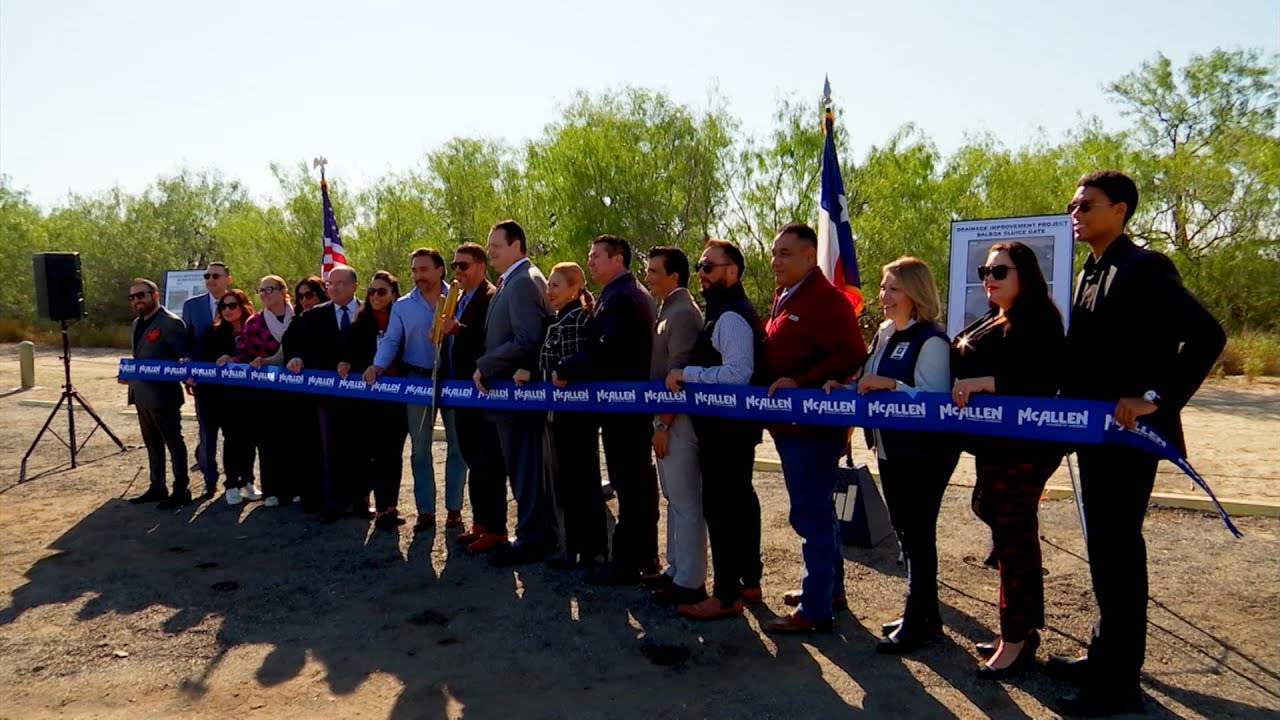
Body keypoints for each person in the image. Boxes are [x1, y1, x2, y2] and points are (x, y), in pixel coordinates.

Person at [1051, 170, 1225, 716]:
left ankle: (1118, 686)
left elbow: (1208, 335)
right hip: (1093, 435)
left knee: (1120, 554)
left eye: (1086, 205)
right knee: (1104, 551)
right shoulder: (1089, 270)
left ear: (1120, 210)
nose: (1075, 214)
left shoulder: (1145, 267)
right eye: (1072, 205)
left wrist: (1155, 397)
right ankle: (1104, 657)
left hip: (1130, 438)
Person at [951, 242, 1066, 676]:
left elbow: (1043, 379)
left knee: (1015, 539)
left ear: (1025, 274)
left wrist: (988, 381)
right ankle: (1019, 630)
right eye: (985, 271)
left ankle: (1016, 638)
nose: (989, 278)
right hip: (993, 445)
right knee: (999, 524)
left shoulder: (1040, 320)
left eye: (1000, 271)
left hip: (1025, 448)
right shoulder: (992, 317)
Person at [761, 223, 866, 633]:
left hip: (813, 428)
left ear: (809, 256)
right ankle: (828, 589)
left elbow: (852, 353)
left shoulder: (826, 298)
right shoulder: (785, 294)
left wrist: (801, 382)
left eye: (785, 253)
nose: (776, 260)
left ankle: (816, 608)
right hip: (789, 427)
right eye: (774, 252)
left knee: (810, 515)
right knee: (818, 510)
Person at [852, 256, 958, 653]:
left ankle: (918, 620)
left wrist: (892, 385)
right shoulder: (883, 333)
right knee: (904, 531)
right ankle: (925, 613)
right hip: (889, 448)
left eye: (894, 288)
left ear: (916, 293)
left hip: (924, 453)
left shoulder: (931, 341)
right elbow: (866, 381)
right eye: (883, 287)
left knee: (918, 532)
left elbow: (934, 402)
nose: (884, 295)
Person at [667, 239, 765, 620]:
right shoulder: (723, 311)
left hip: (728, 432)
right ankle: (746, 582)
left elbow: (738, 374)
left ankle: (726, 595)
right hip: (727, 430)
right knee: (738, 503)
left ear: (732, 271)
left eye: (709, 266)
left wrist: (687, 374)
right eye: (700, 266)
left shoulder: (731, 316)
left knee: (723, 509)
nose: (702, 273)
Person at [554, 235, 660, 585]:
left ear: (618, 259)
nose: (590, 261)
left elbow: (611, 348)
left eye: (596, 256)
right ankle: (642, 557)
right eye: (589, 255)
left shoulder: (623, 296)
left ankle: (628, 562)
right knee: (634, 482)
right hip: (620, 404)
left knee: (630, 484)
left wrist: (567, 366)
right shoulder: (617, 293)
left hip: (625, 406)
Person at [473, 220, 558, 567]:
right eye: (489, 245)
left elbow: (527, 339)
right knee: (525, 469)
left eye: (496, 246)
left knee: (526, 470)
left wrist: (486, 364)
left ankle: (532, 539)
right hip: (509, 395)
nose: (490, 251)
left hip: (518, 395)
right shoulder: (514, 279)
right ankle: (535, 534)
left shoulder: (523, 281)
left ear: (516, 245)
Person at [364, 248, 467, 533]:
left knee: (457, 448)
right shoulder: (403, 306)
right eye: (414, 270)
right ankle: (426, 512)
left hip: (453, 380)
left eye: (423, 269)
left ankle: (455, 510)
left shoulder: (460, 298)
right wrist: (378, 365)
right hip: (418, 380)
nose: (418, 275)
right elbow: (391, 340)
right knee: (420, 450)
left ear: (439, 269)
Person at [519, 262, 605, 570]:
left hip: (576, 414)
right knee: (571, 482)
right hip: (563, 413)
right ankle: (578, 547)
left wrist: (532, 376)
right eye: (549, 285)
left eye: (556, 285)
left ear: (574, 288)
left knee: (581, 482)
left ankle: (587, 549)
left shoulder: (575, 320)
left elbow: (566, 373)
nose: (549, 291)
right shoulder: (560, 319)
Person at [643, 246, 707, 605]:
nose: (648, 277)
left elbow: (678, 374)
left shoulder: (682, 313)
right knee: (674, 498)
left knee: (685, 501)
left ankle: (691, 581)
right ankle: (676, 570)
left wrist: (664, 425)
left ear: (674, 275)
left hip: (678, 421)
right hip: (665, 418)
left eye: (654, 271)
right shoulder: (668, 308)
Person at [438, 244, 507, 551]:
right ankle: (480, 522)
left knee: (489, 461)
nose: (457, 272)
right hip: (459, 391)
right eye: (454, 266)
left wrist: (458, 329)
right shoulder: (458, 297)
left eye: (463, 266)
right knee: (472, 459)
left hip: (482, 391)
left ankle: (496, 528)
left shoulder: (492, 297)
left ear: (480, 266)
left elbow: (492, 340)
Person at [284, 265, 365, 522]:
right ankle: (332, 501)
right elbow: (297, 344)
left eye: (341, 283)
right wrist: (296, 357)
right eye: (331, 283)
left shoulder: (368, 311)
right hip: (326, 393)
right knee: (331, 447)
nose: (334, 287)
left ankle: (361, 500)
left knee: (361, 446)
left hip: (362, 393)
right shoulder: (315, 314)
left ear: (354, 285)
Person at [124, 278, 192, 510]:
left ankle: (181, 489)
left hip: (164, 396)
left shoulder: (171, 323)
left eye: (141, 295)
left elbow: (184, 355)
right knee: (152, 444)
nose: (137, 301)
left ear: (155, 295)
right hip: (141, 394)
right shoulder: (137, 323)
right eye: (132, 297)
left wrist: (187, 369)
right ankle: (157, 486)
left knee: (174, 443)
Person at [349, 271, 409, 530]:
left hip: (397, 399)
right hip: (368, 401)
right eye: (371, 291)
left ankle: (389, 508)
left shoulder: (403, 320)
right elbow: (352, 357)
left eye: (381, 291)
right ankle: (368, 502)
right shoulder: (359, 323)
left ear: (394, 294)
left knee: (392, 454)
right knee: (369, 454)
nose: (375, 296)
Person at [198, 288, 260, 505]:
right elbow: (205, 363)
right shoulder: (213, 332)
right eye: (223, 306)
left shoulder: (254, 328)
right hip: (224, 396)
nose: (227, 310)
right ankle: (231, 484)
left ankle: (248, 481)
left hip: (250, 394)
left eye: (232, 305)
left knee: (249, 440)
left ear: (243, 306)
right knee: (232, 440)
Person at [242, 275, 295, 507]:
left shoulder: (299, 318)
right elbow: (245, 354)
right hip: (265, 391)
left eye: (269, 289)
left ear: (283, 292)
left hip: (295, 390)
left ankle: (293, 487)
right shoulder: (254, 322)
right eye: (261, 290)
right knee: (268, 441)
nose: (264, 294)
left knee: (293, 439)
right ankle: (271, 490)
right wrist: (257, 362)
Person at [276, 276, 328, 511]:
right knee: (308, 444)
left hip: (333, 392)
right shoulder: (297, 322)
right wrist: (294, 358)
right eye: (301, 296)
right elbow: (288, 349)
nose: (306, 300)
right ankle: (310, 493)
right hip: (303, 395)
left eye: (310, 294)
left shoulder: (333, 318)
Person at [182, 261, 233, 500]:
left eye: (215, 276)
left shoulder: (236, 302)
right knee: (207, 433)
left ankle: (235, 480)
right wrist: (187, 370)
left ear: (227, 279)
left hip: (233, 383)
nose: (210, 280)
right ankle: (209, 480)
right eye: (207, 276)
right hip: (203, 382)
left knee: (234, 434)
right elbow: (186, 342)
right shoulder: (192, 306)